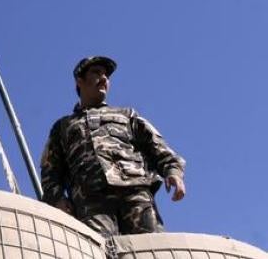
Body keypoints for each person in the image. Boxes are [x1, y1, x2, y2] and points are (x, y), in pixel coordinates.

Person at [40, 56, 186, 236]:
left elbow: (157, 145)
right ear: (80, 81)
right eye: (96, 73)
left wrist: (173, 172)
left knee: (151, 247)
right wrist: (57, 200)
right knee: (98, 250)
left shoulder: (126, 115)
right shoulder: (63, 126)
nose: (104, 79)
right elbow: (50, 171)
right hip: (91, 201)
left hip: (136, 194)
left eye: (106, 75)